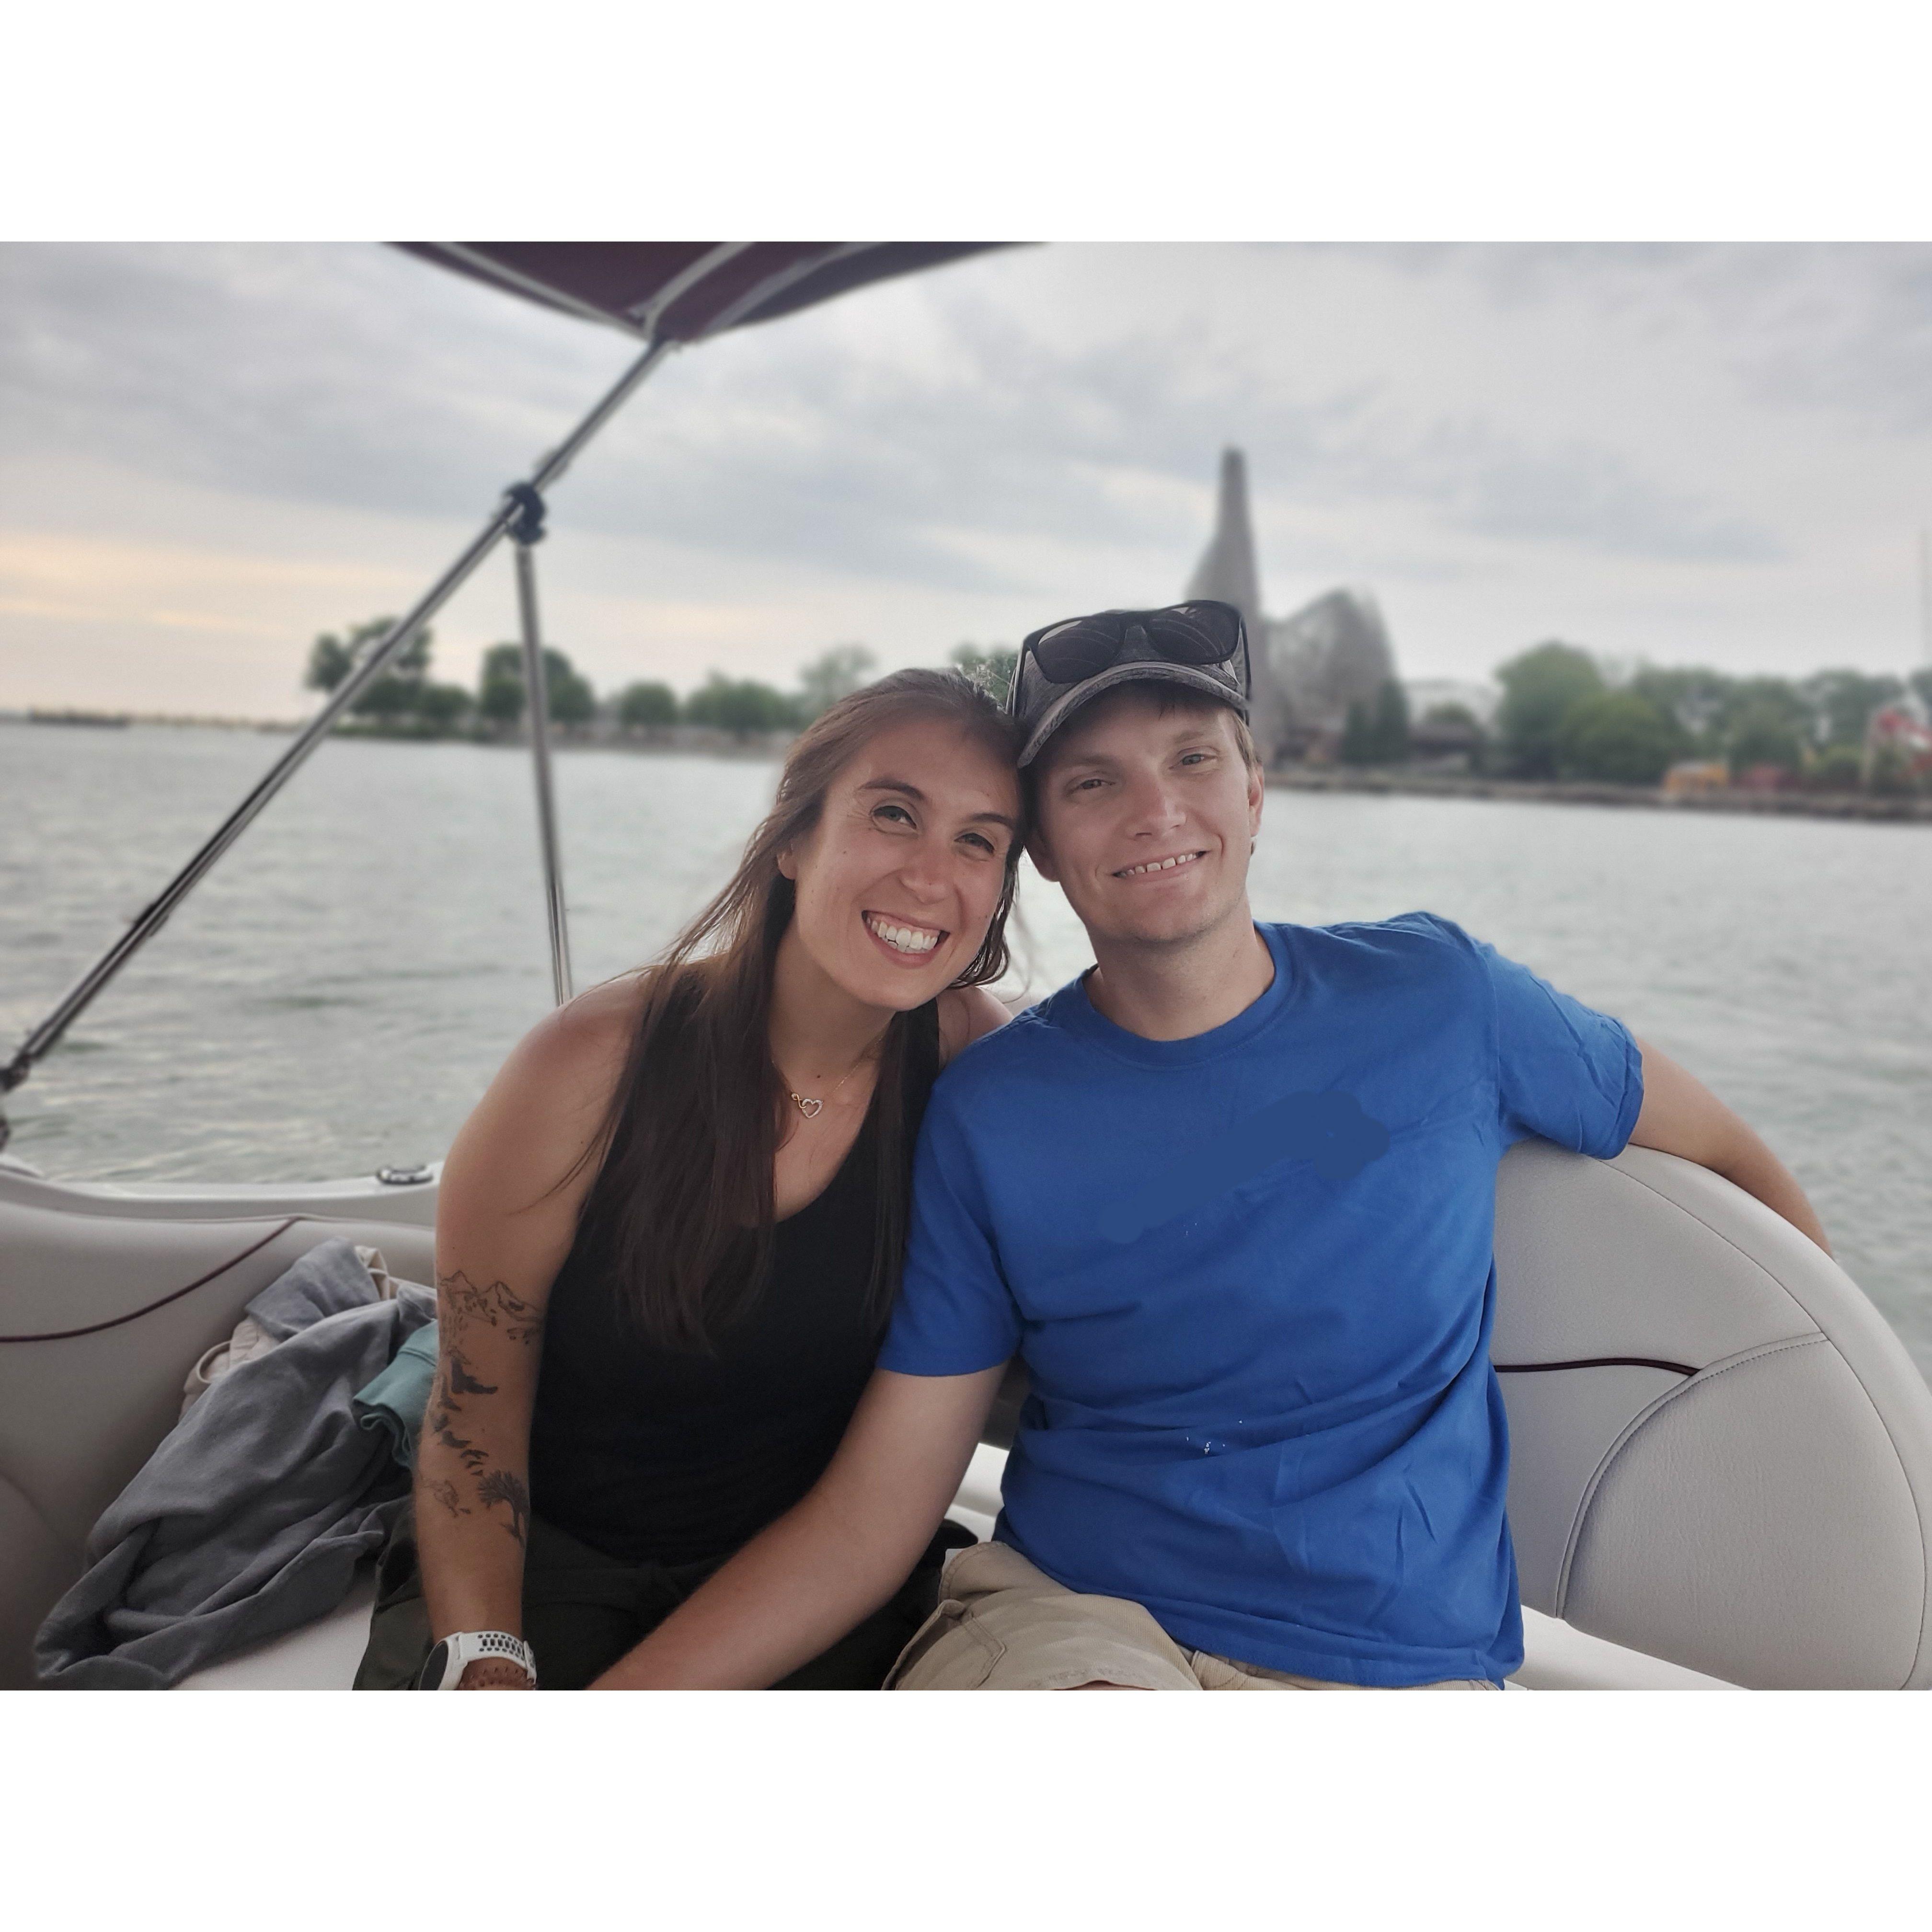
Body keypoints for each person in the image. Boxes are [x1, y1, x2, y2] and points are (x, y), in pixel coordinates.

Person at [584, 599, 1833, 1693]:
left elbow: (1732, 1158)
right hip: (1069, 1629)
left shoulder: (1446, 1001)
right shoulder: (994, 1107)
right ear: (1049, 854)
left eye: (1193, 758)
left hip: (1392, 1662)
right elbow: (878, 1515)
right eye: (1093, 782)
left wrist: (1819, 1430)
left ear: (1255, 792)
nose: (1155, 809)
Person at [354, 668, 1024, 1690]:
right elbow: (472, 1414)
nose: (933, 876)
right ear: (795, 839)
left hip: (810, 1589)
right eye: (895, 814)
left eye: (979, 840)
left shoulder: (977, 1073)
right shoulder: (593, 1066)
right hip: (547, 1564)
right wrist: (489, 1657)